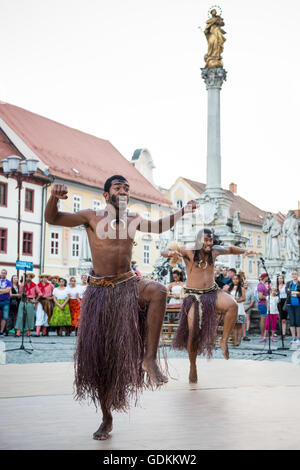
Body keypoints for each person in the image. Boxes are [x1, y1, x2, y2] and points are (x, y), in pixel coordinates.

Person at [44, 175, 198, 440]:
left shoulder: (133, 219)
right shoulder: (91, 216)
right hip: (100, 292)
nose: (124, 191)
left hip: (129, 285)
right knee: (103, 360)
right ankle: (106, 417)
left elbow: (159, 226)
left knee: (159, 290)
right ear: (106, 195)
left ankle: (148, 358)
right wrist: (53, 198)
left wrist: (182, 211)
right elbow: (53, 219)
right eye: (118, 187)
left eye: (127, 188)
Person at [161, 228, 256, 383]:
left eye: (211, 240)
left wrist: (245, 250)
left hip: (212, 292)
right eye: (206, 240)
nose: (209, 243)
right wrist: (170, 254)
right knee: (193, 334)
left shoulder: (214, 251)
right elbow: (164, 252)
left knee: (232, 305)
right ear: (199, 240)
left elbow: (231, 249)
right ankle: (193, 365)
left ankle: (223, 340)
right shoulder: (188, 252)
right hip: (193, 296)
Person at [15, 272, 40, 337]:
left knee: (30, 317)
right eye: (27, 277)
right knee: (20, 316)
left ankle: (28, 332)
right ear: (25, 277)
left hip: (30, 301)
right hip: (22, 301)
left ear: (31, 278)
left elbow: (40, 294)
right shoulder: (22, 285)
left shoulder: (35, 285)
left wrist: (35, 301)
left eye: (30, 277)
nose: (28, 278)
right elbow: (20, 293)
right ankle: (18, 332)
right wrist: (23, 286)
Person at [228, 274, 246, 346]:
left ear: (239, 280)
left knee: (239, 325)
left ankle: (239, 340)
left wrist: (236, 300)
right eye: (234, 279)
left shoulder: (242, 288)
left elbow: (244, 298)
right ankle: (234, 340)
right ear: (232, 280)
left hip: (240, 308)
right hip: (232, 308)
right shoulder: (230, 288)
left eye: (236, 279)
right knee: (234, 326)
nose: (235, 280)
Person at [285, 270, 300, 344]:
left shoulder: (299, 283)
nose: (294, 275)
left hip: (298, 305)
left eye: (295, 274)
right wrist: (296, 292)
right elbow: (287, 292)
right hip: (289, 304)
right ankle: (293, 337)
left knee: (298, 321)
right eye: (293, 274)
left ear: (298, 275)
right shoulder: (289, 283)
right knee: (292, 321)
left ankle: (298, 338)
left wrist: (294, 294)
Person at [257, 273, 270, 341]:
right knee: (263, 319)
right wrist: (268, 297)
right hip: (262, 304)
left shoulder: (264, 285)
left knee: (265, 320)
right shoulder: (260, 285)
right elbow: (260, 296)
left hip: (265, 303)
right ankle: (262, 335)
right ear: (265, 277)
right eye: (267, 277)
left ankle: (265, 334)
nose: (268, 278)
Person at [0, 269, 12, 336]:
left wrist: (2, 291)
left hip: (5, 301)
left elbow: (7, 290)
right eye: (2, 273)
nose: (3, 274)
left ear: (6, 274)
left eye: (4, 273)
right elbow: (5, 290)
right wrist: (3, 291)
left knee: (4, 317)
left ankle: (1, 331)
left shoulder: (9, 282)